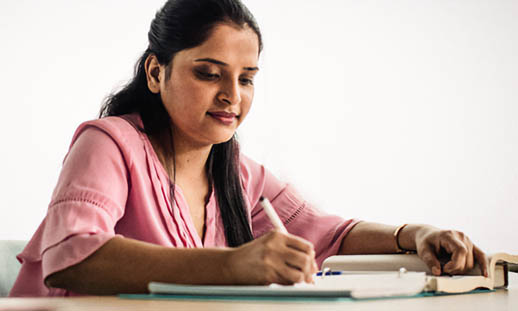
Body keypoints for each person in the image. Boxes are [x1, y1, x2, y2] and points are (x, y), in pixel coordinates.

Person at [9, 0, 488, 297]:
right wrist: (233, 265)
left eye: (246, 79)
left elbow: (326, 235)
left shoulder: (238, 173)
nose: (231, 97)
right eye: (208, 73)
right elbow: (71, 256)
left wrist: (416, 233)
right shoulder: (109, 142)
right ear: (157, 73)